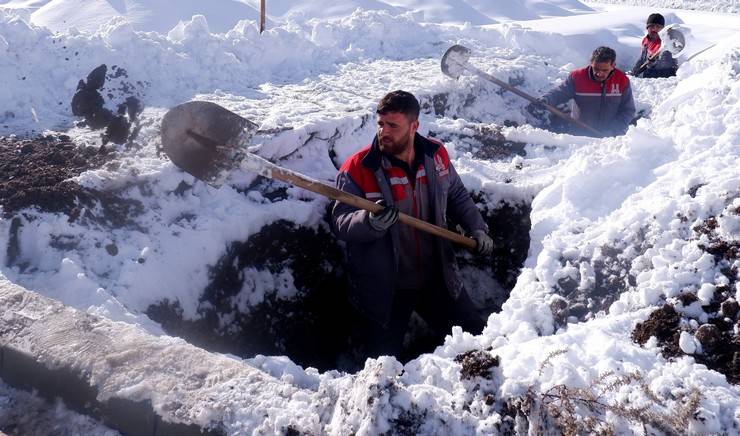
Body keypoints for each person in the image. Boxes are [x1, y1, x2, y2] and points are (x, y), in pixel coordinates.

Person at [331, 90, 493, 360]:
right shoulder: (358, 168)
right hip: (387, 288)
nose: (384, 131)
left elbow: (456, 194)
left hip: (437, 276)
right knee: (382, 366)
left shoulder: (436, 155)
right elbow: (340, 220)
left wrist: (478, 228)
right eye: (381, 124)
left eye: (393, 125)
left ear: (414, 126)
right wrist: (369, 221)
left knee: (478, 342)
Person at [529, 46, 636, 137]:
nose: (599, 74)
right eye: (596, 69)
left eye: (605, 70)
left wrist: (613, 130)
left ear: (613, 66)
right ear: (591, 63)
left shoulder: (622, 80)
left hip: (609, 137)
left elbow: (628, 110)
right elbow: (561, 92)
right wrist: (547, 99)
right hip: (579, 134)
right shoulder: (577, 77)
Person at [631, 13, 678, 78]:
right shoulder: (646, 40)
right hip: (648, 74)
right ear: (647, 28)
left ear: (662, 30)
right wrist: (634, 72)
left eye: (658, 26)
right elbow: (642, 59)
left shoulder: (666, 44)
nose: (654, 29)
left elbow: (667, 69)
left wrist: (652, 65)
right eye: (652, 26)